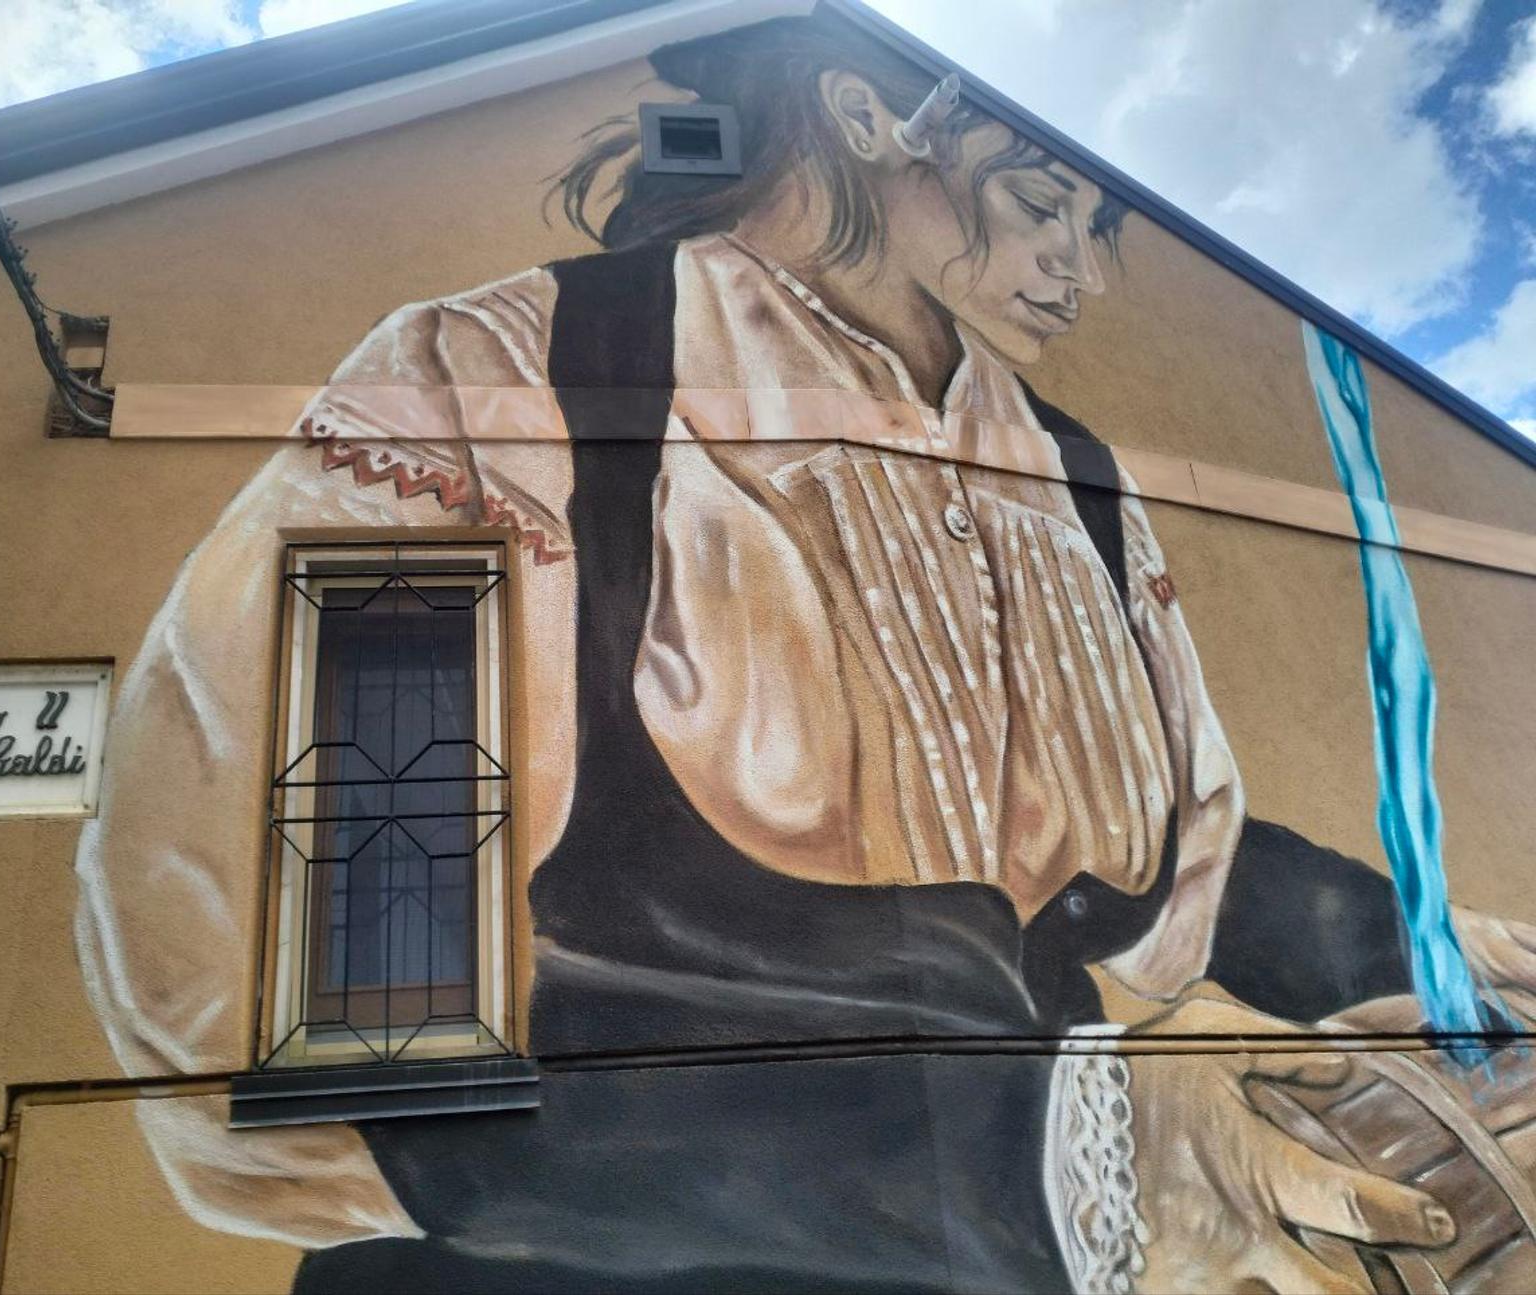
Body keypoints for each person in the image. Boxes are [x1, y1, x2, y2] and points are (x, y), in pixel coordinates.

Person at [76, 13, 1536, 1292]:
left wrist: (1427, 956)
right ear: (859, 113)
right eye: (1040, 202)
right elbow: (343, 1018)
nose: (1078, 269)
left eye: (1098, 228)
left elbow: (1163, 875)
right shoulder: (503, 384)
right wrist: (1055, 1154)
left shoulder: (1075, 481)